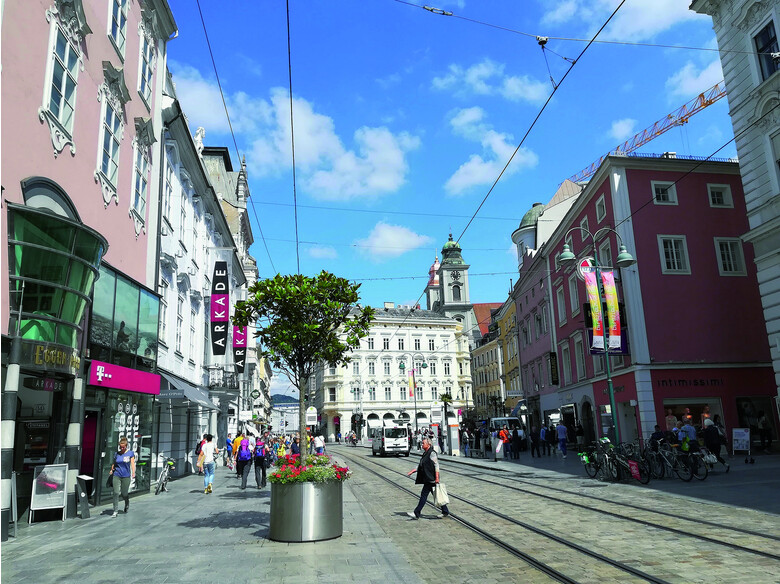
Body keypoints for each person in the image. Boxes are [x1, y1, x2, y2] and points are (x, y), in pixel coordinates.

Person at [406, 438, 449, 519]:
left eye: (423, 443)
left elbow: (436, 465)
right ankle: (445, 511)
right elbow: (421, 465)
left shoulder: (432, 453)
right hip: (428, 478)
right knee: (436, 495)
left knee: (424, 495)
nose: (422, 445)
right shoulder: (425, 453)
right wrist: (412, 471)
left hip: (431, 478)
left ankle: (416, 513)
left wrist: (437, 478)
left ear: (428, 444)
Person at [109, 437, 135, 518]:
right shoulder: (116, 454)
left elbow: (132, 464)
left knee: (124, 493)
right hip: (117, 475)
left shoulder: (130, 453)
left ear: (126, 446)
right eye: (120, 447)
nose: (122, 448)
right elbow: (114, 463)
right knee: (116, 492)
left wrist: (133, 472)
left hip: (126, 476)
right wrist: (111, 470)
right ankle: (115, 510)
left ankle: (127, 502)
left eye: (123, 447)